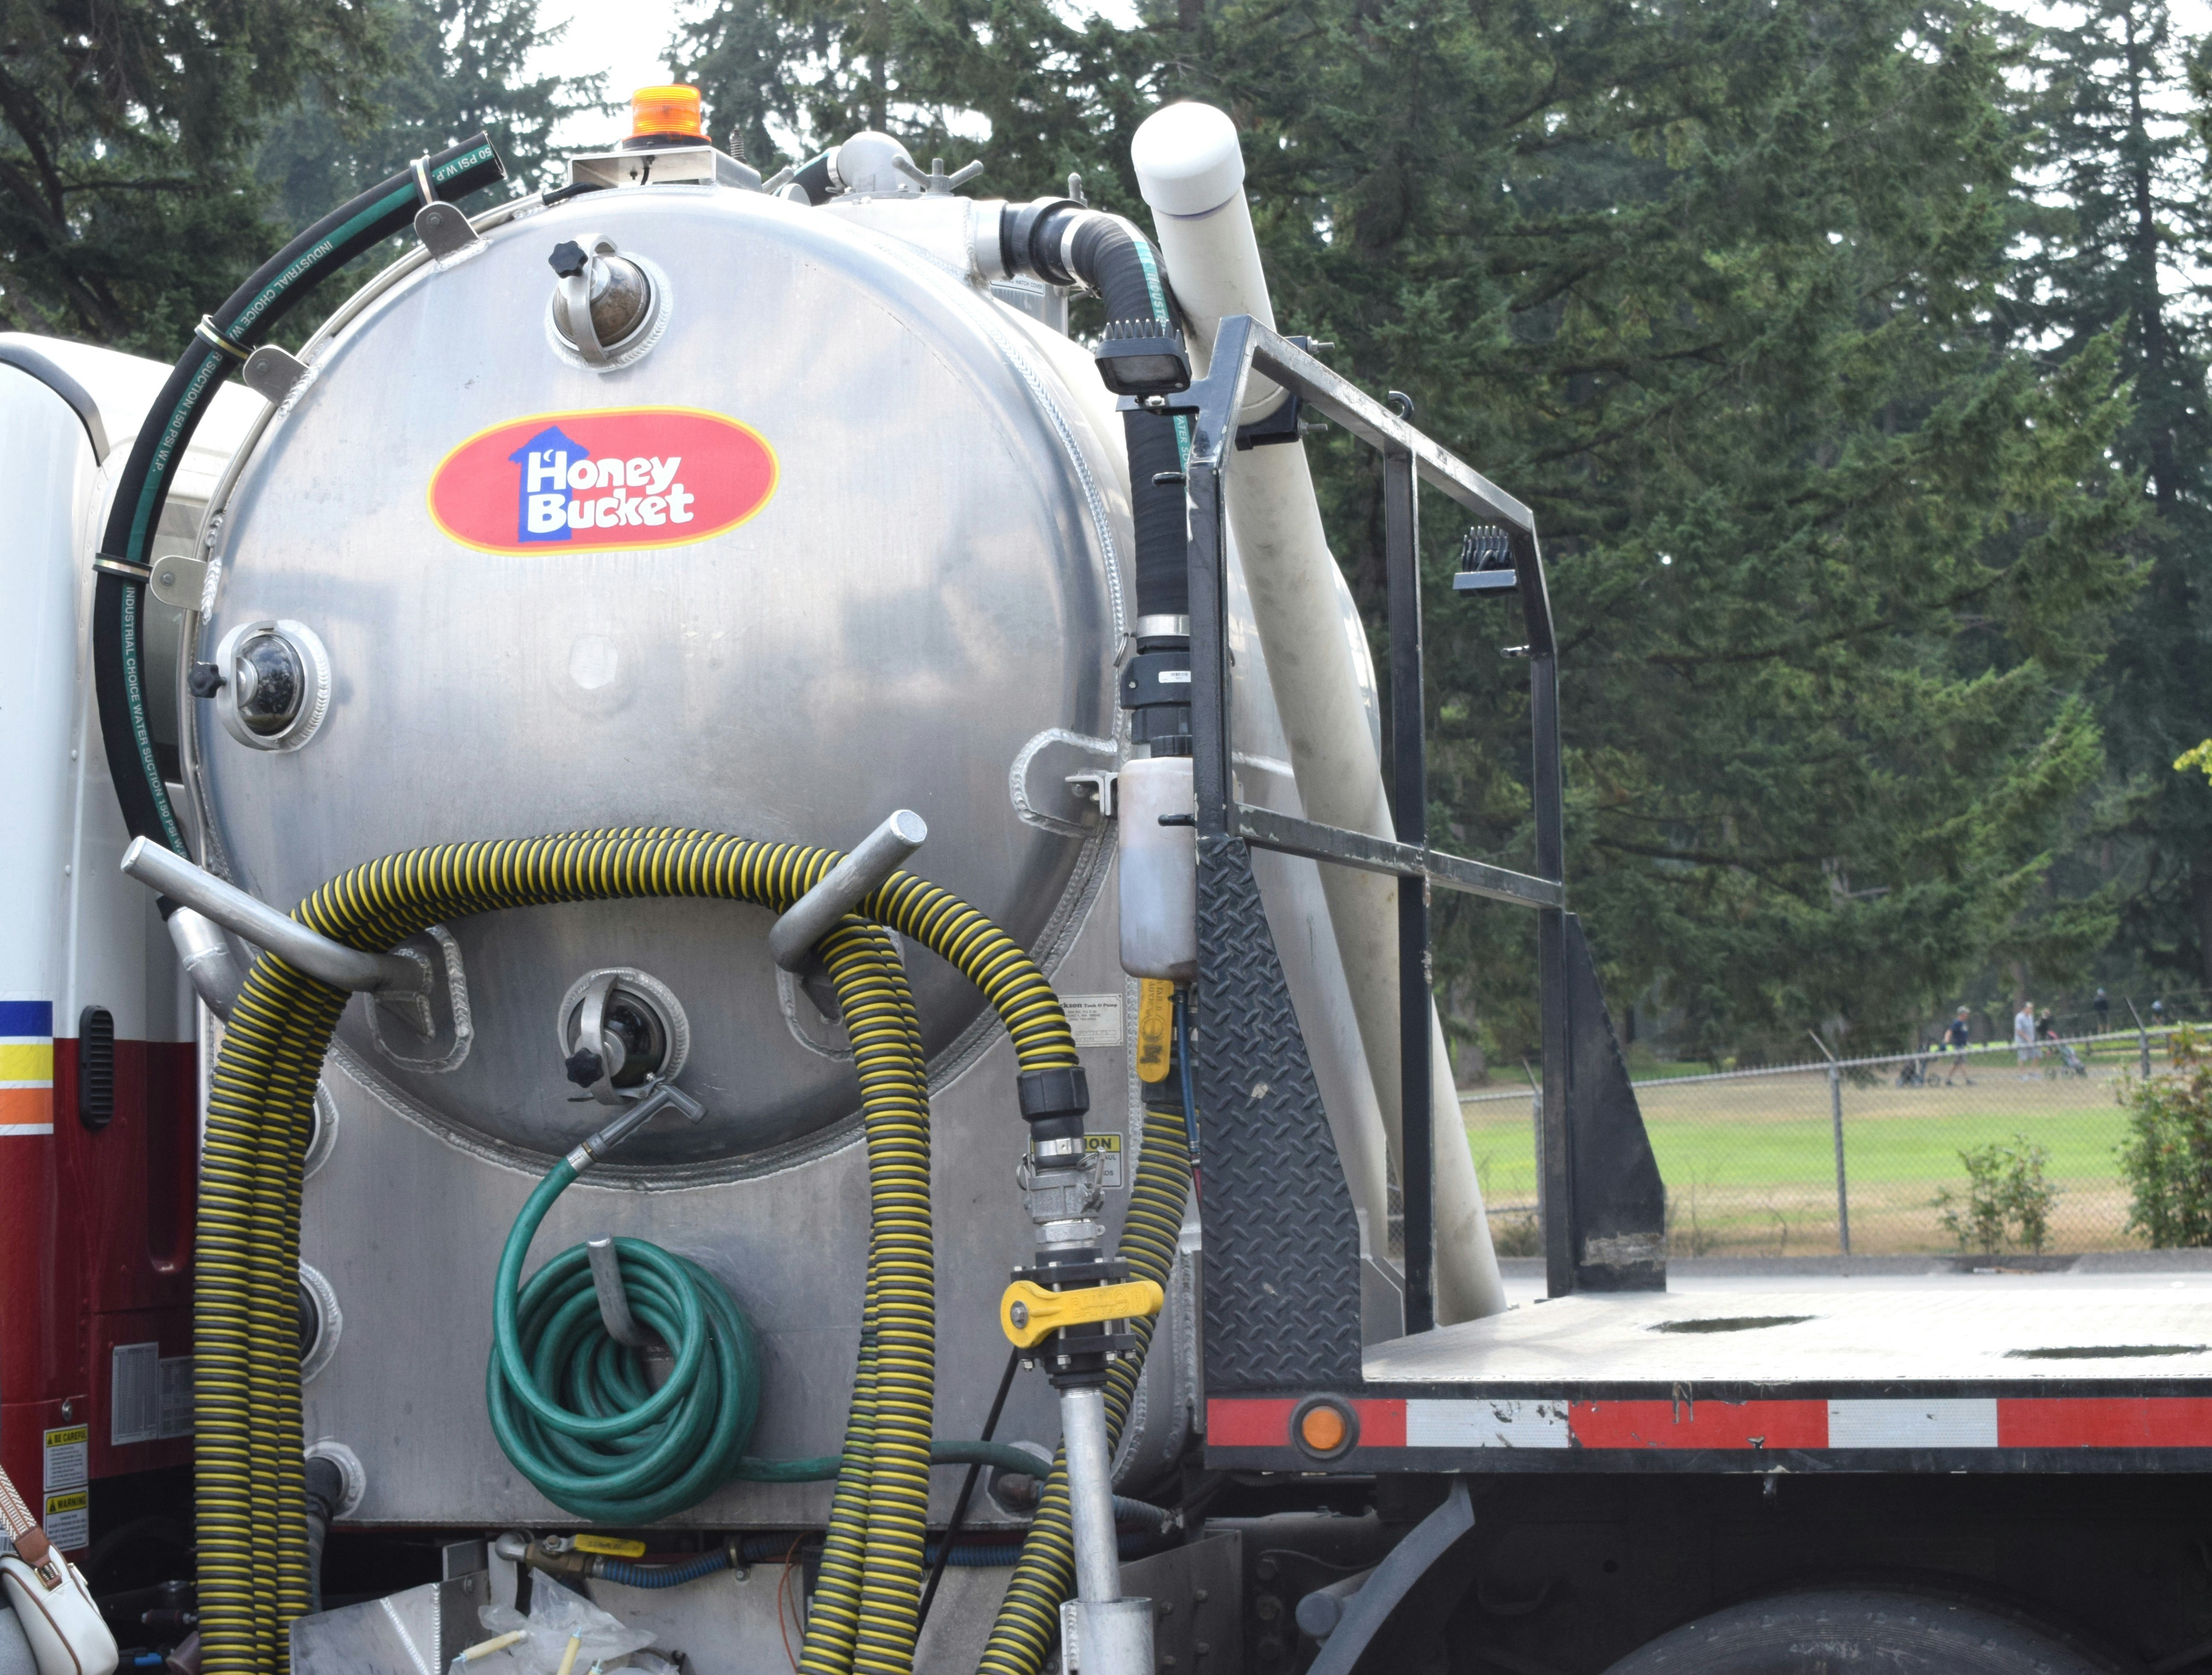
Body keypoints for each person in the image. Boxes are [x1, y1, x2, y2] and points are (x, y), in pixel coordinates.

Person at [1943, 1006, 1974, 1085]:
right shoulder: (1957, 1023)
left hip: (1962, 1045)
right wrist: (1947, 1039)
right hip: (1958, 1046)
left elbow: (1963, 1034)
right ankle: (1968, 1080)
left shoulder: (1963, 1023)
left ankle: (1948, 1080)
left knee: (1956, 1064)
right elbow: (1949, 1031)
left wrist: (1966, 1043)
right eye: (1966, 1013)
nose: (1967, 1015)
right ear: (1962, 1014)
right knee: (1962, 1062)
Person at [2015, 999, 2037, 1073]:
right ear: (2024, 1009)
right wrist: (2028, 1039)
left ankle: (2032, 1073)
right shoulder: (2019, 1017)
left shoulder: (2031, 1017)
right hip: (2022, 1041)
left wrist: (2032, 1039)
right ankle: (2022, 1074)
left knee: (2037, 1055)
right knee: (2022, 1058)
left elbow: (2032, 1029)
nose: (2031, 1009)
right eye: (2029, 1008)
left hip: (2031, 1040)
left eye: (2031, 1008)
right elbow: (2019, 1031)